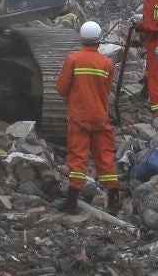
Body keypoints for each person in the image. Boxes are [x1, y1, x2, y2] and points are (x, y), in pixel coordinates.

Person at [56, 21, 120, 214]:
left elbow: (61, 89)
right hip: (100, 117)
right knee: (105, 158)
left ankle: (72, 202)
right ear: (98, 39)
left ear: (81, 38)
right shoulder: (107, 63)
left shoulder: (73, 60)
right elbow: (106, 91)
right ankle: (114, 201)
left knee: (78, 157)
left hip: (79, 117)